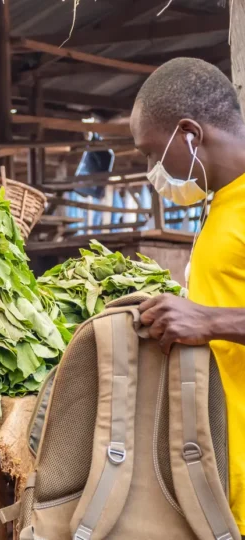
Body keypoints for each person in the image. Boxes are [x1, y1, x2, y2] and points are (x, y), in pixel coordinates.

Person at [131, 57, 245, 535]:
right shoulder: (221, 203)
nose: (152, 169)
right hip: (230, 470)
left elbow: (215, 318)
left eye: (152, 152)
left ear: (189, 133)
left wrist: (210, 321)